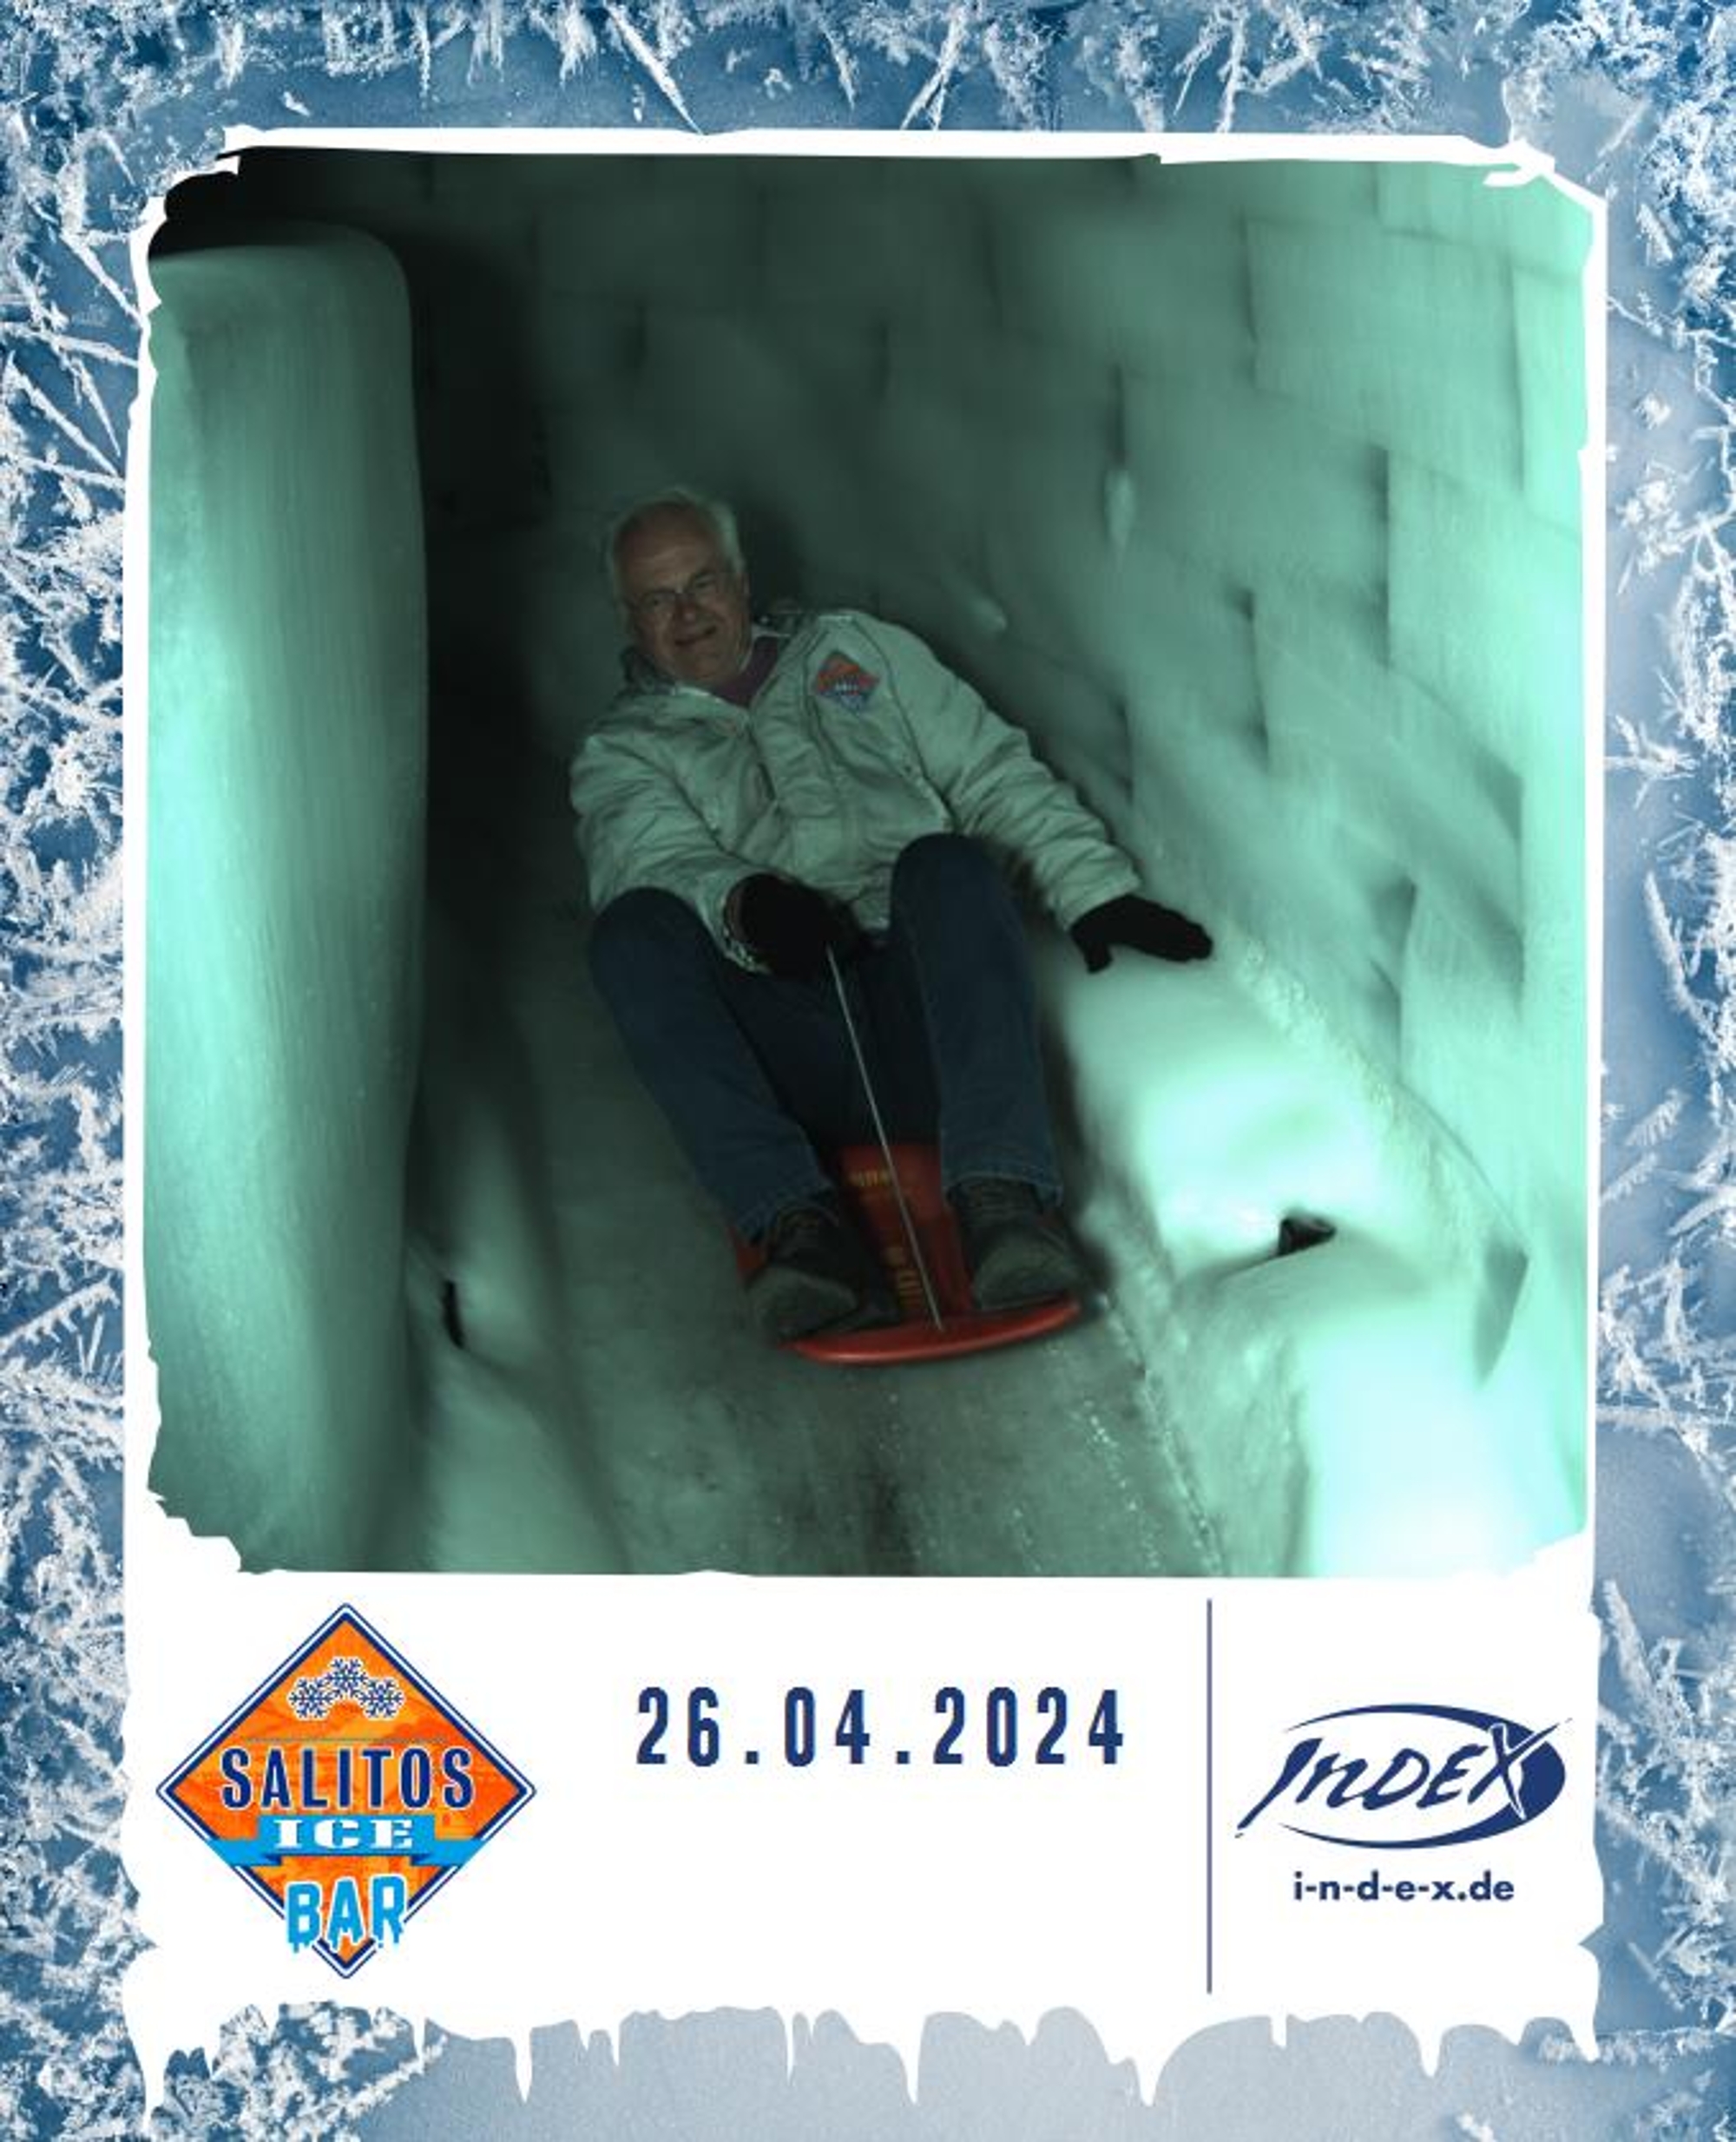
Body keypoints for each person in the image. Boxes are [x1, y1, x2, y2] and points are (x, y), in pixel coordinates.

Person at [571, 488, 1213, 1344]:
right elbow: (648, 858)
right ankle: (798, 1227)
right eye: (656, 599)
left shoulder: (855, 655)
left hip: (924, 1014)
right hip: (787, 1041)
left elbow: (987, 772)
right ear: (628, 620)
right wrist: (745, 902)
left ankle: (1001, 1199)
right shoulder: (623, 750)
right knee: (628, 936)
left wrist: (1093, 890)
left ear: (741, 578)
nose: (687, 614)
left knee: (947, 863)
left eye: (702, 583)